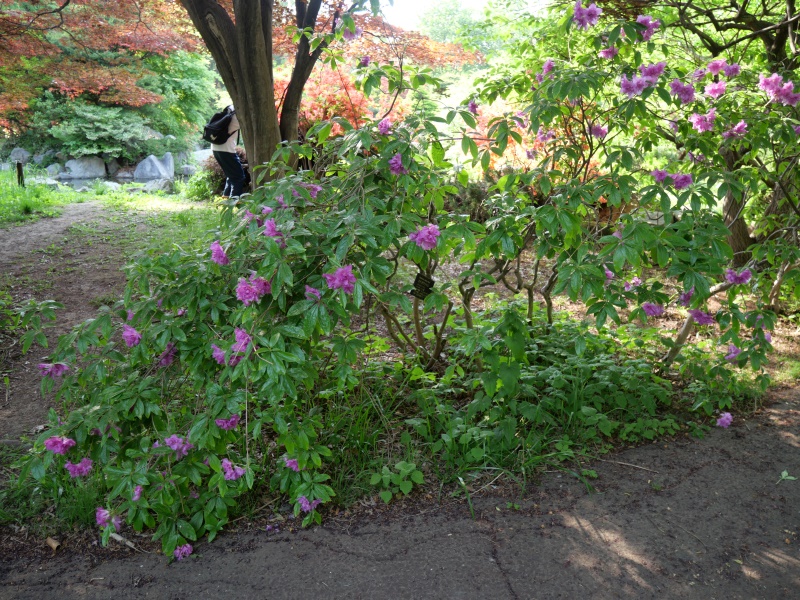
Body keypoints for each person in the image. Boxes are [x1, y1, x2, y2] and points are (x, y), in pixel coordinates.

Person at [211, 106, 247, 198]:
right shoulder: (236, 118)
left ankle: (226, 196)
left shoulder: (226, 114)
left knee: (231, 174)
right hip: (227, 150)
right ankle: (234, 199)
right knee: (239, 176)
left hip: (215, 148)